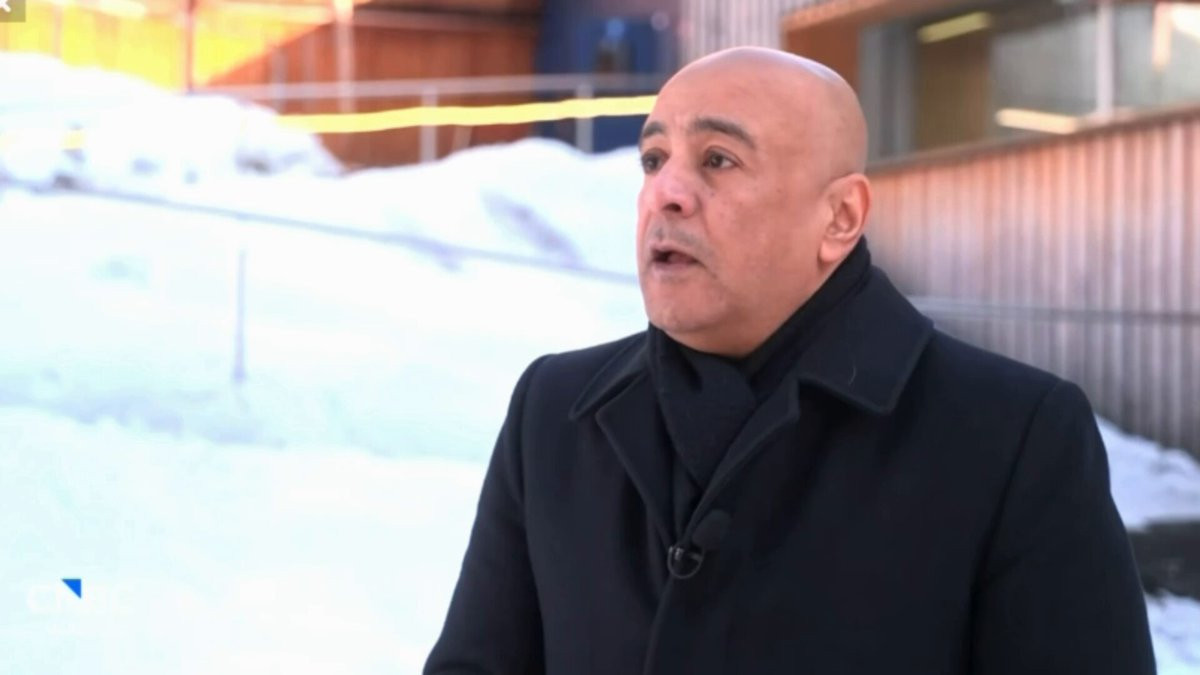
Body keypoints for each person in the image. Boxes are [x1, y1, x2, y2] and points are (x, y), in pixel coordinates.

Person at [424, 47, 1155, 675]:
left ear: (840, 217)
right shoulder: (555, 411)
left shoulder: (1010, 437)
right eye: (653, 159)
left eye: (717, 159)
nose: (665, 193)